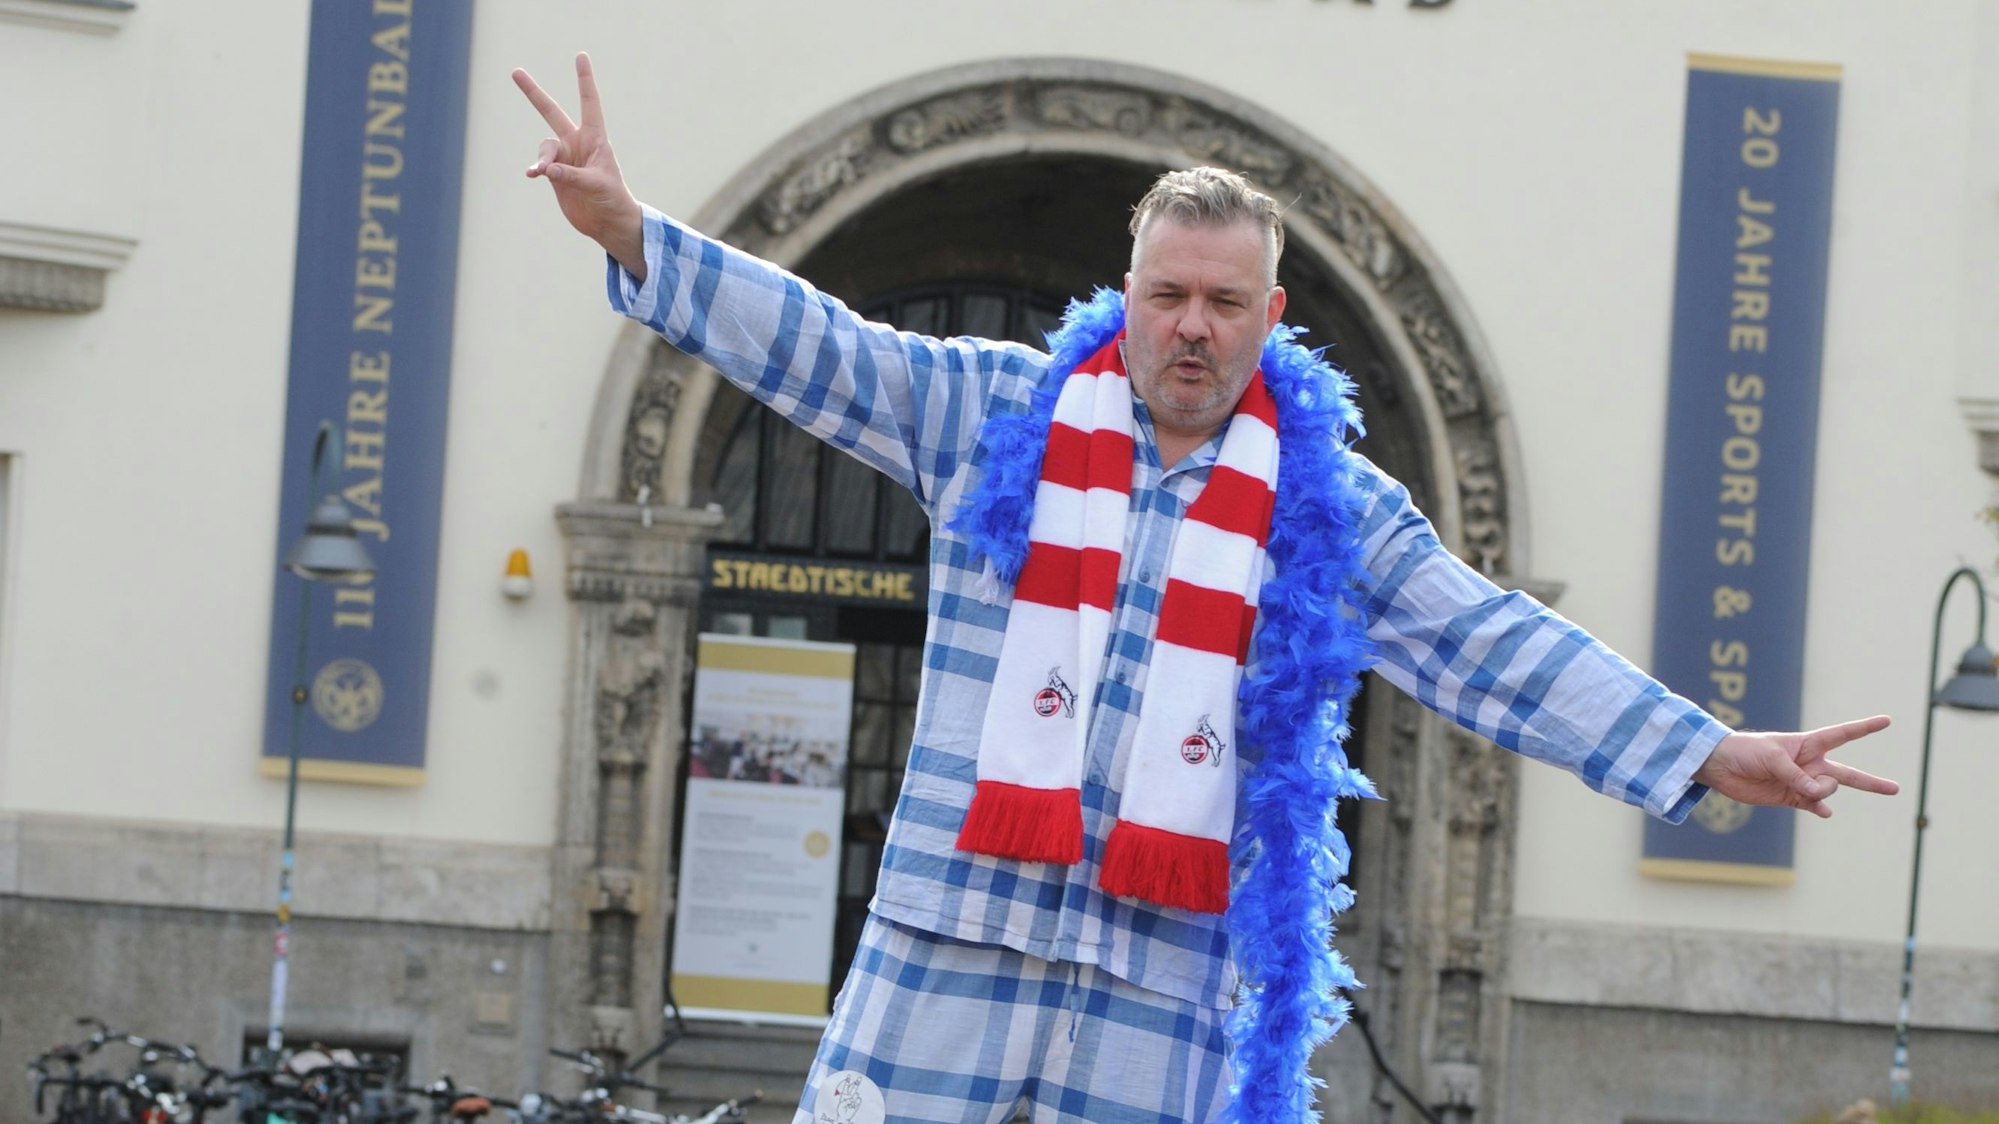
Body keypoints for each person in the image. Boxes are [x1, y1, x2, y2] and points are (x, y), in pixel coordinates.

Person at [513, 54, 1898, 1124]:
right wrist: (634, 232)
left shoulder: (1333, 511)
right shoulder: (992, 411)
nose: (1190, 325)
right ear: (1124, 293)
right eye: (1168, 293)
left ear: (1269, 318)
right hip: (946, 951)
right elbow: (823, 352)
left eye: (1223, 303)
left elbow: (1490, 645)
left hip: (1155, 986)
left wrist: (1707, 748)